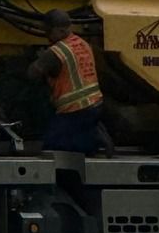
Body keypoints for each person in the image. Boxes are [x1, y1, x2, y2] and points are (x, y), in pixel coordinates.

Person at [26, 11, 107, 153]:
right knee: (80, 144)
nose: (47, 36)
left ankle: (95, 137)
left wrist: (37, 57)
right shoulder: (83, 44)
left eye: (48, 32)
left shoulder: (57, 52)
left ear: (60, 30)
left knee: (52, 145)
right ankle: (94, 136)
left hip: (74, 110)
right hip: (95, 106)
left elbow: (32, 73)